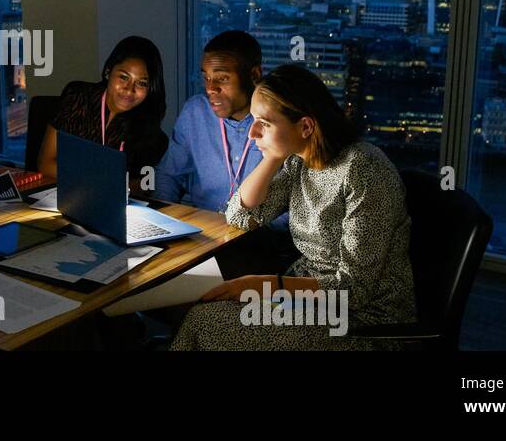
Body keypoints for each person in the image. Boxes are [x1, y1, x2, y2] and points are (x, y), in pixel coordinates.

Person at [170, 64, 416, 350]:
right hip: (303, 298)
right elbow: (239, 216)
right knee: (202, 312)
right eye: (253, 120)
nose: (252, 133)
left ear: (306, 126)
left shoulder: (364, 170)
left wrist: (263, 285)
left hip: (362, 320)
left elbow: (353, 291)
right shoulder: (300, 160)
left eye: (265, 123)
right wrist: (271, 158)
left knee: (208, 323)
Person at [154, 31, 264, 211]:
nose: (210, 88)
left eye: (222, 78)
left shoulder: (279, 122)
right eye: (206, 78)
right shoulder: (196, 112)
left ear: (254, 75)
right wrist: (164, 219)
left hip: (259, 233)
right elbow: (169, 174)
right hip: (204, 228)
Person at [37, 36, 168, 183]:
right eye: (124, 77)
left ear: (151, 89)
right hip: (62, 196)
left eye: (142, 84)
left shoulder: (152, 135)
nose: (130, 90)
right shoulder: (77, 97)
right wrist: (98, 180)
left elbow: (143, 187)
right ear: (108, 72)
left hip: (113, 203)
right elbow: (45, 164)